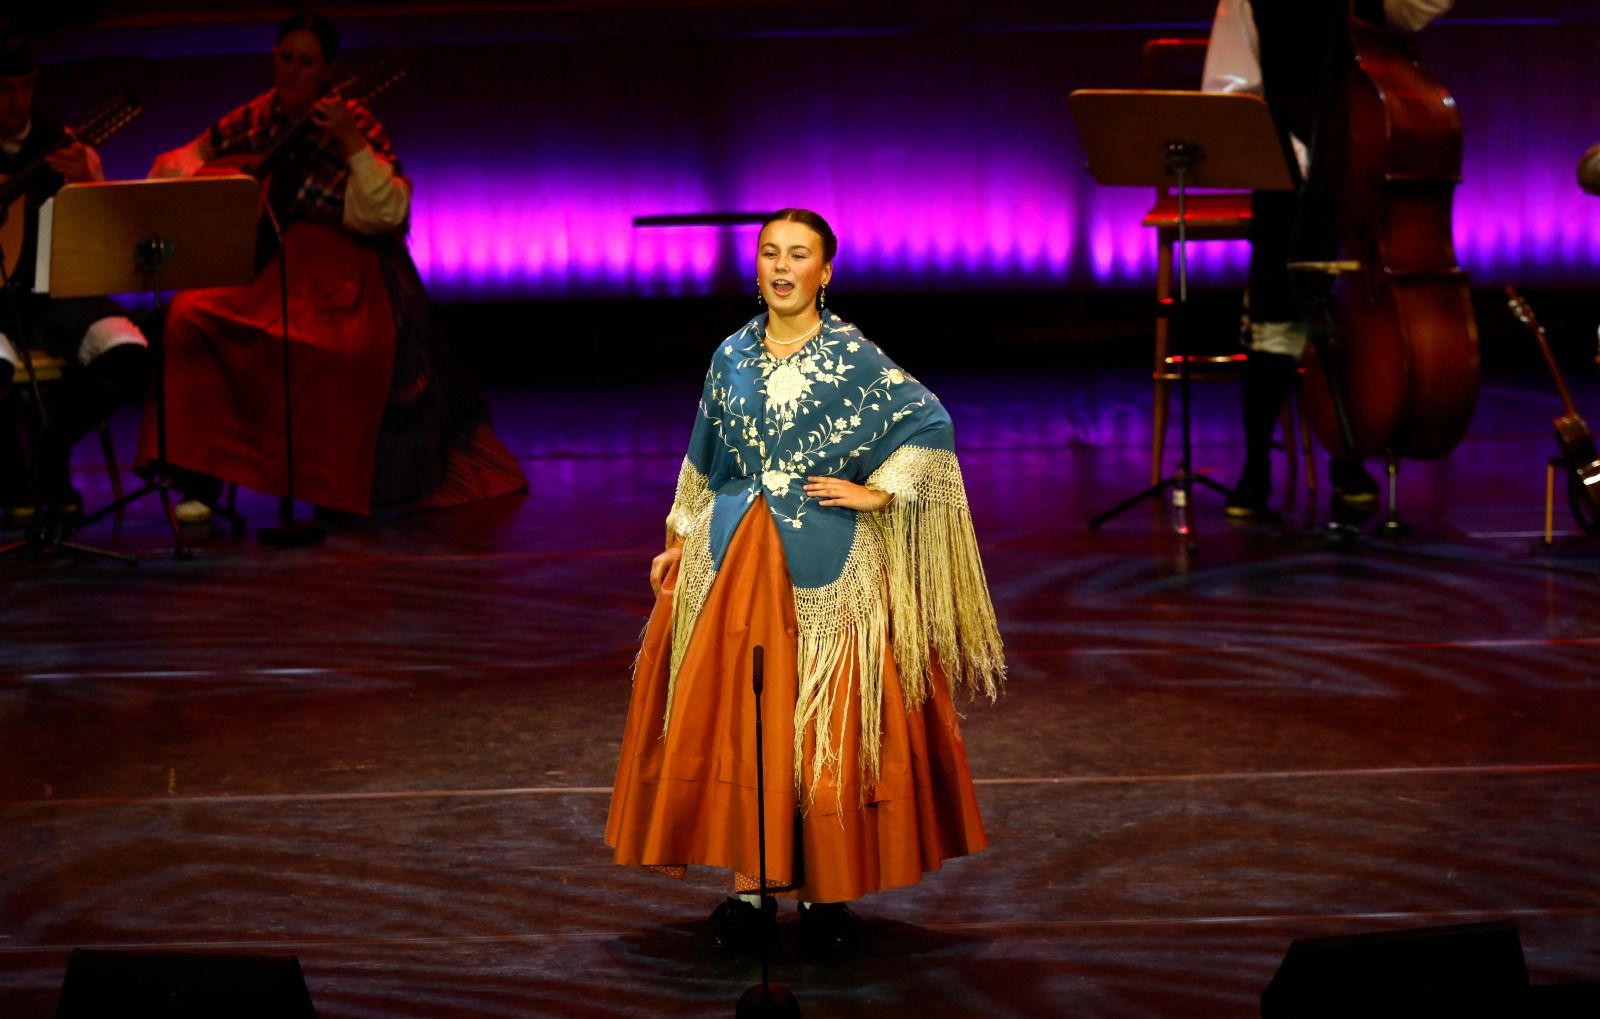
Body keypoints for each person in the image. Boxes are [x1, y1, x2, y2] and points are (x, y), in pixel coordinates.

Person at [606, 209, 1005, 951]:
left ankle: (827, 893)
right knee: (741, 720)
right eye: (769, 253)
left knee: (826, 726)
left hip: (824, 562)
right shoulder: (730, 355)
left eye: (799, 255)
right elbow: (704, 462)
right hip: (733, 565)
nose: (782, 267)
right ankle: (751, 890)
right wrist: (679, 538)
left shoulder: (852, 357)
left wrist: (878, 492)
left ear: (827, 271)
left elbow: (929, 423)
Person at [142, 10, 525, 524]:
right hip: (271, 265)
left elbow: (386, 211)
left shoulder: (355, 122)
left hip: (347, 269)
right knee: (190, 317)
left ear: (328, 70)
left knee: (344, 350)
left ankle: (334, 489)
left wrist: (349, 140)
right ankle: (200, 480)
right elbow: (180, 161)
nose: (293, 71)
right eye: (286, 58)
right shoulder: (258, 117)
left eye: (307, 62)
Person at [1203, 0, 1452, 519]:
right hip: (1286, 172)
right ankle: (1256, 466)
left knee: (1357, 327)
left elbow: (1424, 8)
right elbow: (1230, 94)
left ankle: (1350, 455)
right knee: (1277, 319)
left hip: (1365, 183)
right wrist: (1292, 154)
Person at [0, 32, 147, 528]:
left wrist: (85, 182)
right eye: (4, 89)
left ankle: (51, 447)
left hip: (55, 296)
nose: (16, 102)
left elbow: (102, 239)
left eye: (25, 87)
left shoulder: (62, 145)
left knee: (127, 351)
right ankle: (12, 470)